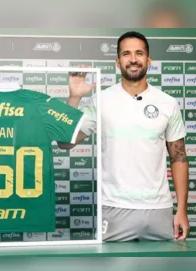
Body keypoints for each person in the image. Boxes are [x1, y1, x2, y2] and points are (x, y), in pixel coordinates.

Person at [58, 31, 190, 241]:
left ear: (149, 60)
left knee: (162, 270)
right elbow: (65, 143)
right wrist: (74, 97)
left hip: (159, 209)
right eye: (126, 54)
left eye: (139, 53)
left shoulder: (168, 103)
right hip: (114, 209)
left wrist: (182, 209)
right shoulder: (101, 100)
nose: (133, 59)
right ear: (118, 62)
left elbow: (179, 158)